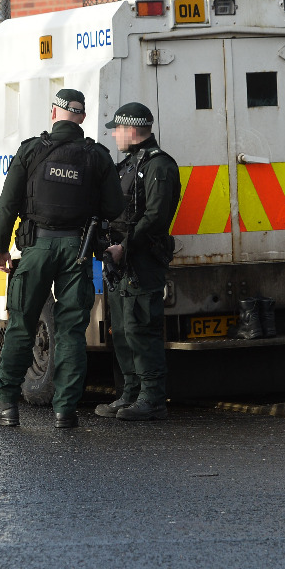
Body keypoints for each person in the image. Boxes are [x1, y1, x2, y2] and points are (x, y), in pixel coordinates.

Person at [0, 89, 124, 429]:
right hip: (77, 251)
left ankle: (6, 407)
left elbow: (8, 202)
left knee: (22, 326)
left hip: (37, 250)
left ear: (54, 113)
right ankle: (65, 410)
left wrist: (0, 247)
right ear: (83, 118)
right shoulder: (98, 156)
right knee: (72, 331)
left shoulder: (32, 150)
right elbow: (115, 209)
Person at [93, 102, 181, 422]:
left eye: (117, 128)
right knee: (124, 329)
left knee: (142, 328)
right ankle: (131, 392)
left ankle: (152, 398)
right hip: (123, 261)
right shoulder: (128, 164)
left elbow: (156, 218)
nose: (114, 134)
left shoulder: (159, 166)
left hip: (142, 260)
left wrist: (124, 248)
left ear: (131, 130)